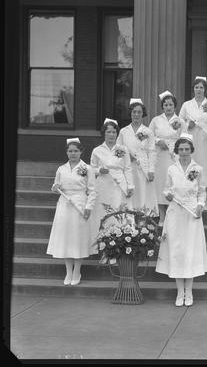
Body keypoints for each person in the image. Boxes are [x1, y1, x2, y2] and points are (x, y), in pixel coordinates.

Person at [155, 134, 207, 307]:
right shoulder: (172, 169)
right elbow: (166, 189)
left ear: (191, 150)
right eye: (181, 149)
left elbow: (201, 191)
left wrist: (200, 205)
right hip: (175, 214)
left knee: (190, 251)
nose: (184, 152)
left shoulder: (198, 169)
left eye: (187, 149)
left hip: (192, 213)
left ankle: (189, 291)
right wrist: (168, 195)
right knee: (177, 250)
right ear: (177, 151)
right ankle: (180, 292)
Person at [46, 138, 97, 286]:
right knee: (66, 238)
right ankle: (68, 271)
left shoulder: (87, 169)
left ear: (81, 151)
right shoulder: (61, 169)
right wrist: (55, 188)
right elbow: (57, 186)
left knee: (77, 239)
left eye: (75, 151)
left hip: (80, 205)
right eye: (70, 151)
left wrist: (88, 208)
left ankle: (77, 271)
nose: (73, 153)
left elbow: (92, 191)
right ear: (67, 152)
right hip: (64, 205)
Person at [90, 118, 134, 247]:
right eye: (108, 132)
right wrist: (99, 170)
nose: (111, 134)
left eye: (114, 132)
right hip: (103, 185)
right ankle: (104, 246)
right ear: (104, 133)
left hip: (120, 184)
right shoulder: (97, 150)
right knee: (104, 212)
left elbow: (127, 168)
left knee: (120, 212)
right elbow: (91, 169)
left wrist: (130, 185)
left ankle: (121, 244)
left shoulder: (123, 149)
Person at [179, 76, 207, 209]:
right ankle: (193, 199)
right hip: (193, 141)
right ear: (193, 89)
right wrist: (188, 125)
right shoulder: (187, 105)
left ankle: (204, 200)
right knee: (194, 167)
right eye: (196, 87)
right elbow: (179, 121)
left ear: (205, 90)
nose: (199, 90)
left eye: (201, 87)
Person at [116, 98, 158, 216]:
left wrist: (151, 170)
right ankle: (129, 219)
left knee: (143, 194)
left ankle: (143, 220)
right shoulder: (124, 131)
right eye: (134, 112)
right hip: (128, 169)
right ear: (130, 113)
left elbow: (152, 151)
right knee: (130, 193)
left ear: (142, 114)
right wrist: (127, 155)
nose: (136, 114)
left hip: (143, 168)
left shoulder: (148, 132)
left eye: (139, 112)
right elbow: (118, 150)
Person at [149, 90, 185, 223]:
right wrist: (159, 141)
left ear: (174, 106)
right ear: (162, 107)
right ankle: (161, 215)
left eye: (170, 105)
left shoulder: (180, 121)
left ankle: (172, 213)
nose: (168, 107)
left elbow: (185, 138)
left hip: (173, 156)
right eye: (165, 105)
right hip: (159, 156)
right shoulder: (156, 120)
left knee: (172, 182)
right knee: (160, 183)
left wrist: (176, 148)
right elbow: (149, 136)